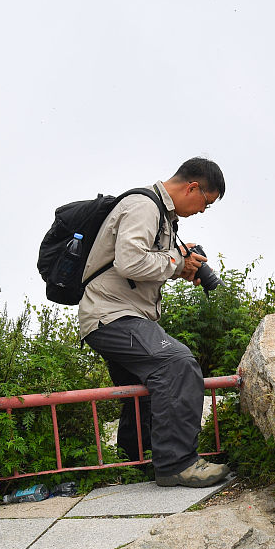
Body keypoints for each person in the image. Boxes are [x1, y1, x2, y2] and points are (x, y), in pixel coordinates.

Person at [79, 157, 230, 488]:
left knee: (144, 393)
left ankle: (136, 466)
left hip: (116, 314)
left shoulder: (161, 216)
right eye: (206, 202)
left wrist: (179, 262)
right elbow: (130, 261)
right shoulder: (144, 206)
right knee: (177, 364)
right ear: (192, 187)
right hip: (113, 314)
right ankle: (178, 464)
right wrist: (179, 261)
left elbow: (144, 262)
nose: (203, 211)